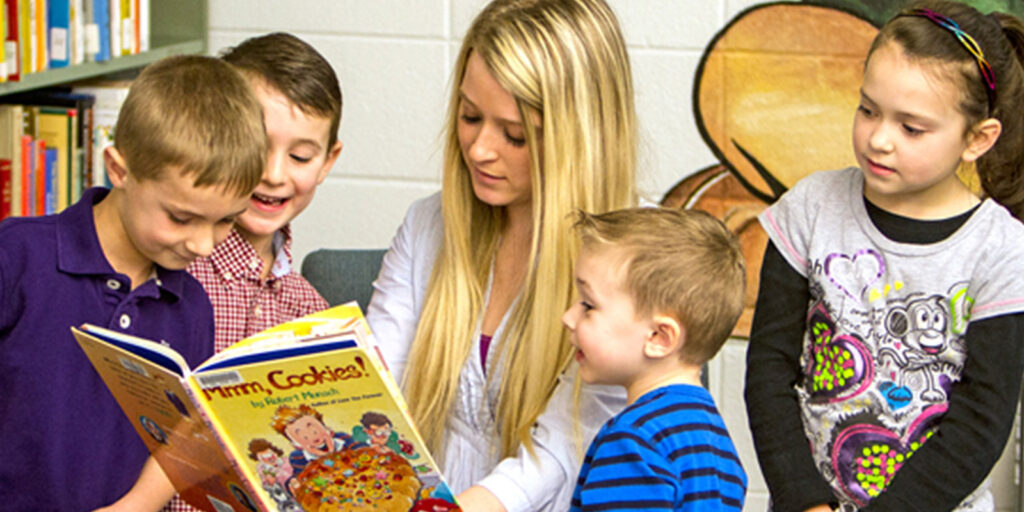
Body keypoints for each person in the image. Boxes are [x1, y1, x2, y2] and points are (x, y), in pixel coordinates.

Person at [744, 1, 1024, 510]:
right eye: (867, 109)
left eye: (911, 128)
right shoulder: (808, 209)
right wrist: (804, 500)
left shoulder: (1004, 251)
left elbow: (982, 420)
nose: (878, 138)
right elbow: (768, 370)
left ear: (977, 140)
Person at [365, 0, 637, 509]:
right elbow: (378, 385)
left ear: (578, 137)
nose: (479, 149)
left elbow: (557, 453)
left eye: (514, 135)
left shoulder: (633, 260)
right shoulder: (429, 224)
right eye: (469, 116)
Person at [0, 55, 265, 510]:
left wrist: (136, 505)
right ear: (118, 170)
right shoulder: (18, 256)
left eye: (226, 221)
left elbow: (182, 434)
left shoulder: (191, 304)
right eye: (181, 218)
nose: (204, 245)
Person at [562, 208, 748, 511]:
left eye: (588, 305)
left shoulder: (634, 442)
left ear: (659, 338)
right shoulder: (716, 445)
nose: (568, 317)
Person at [187, 32, 342, 355]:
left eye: (299, 157)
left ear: (328, 161)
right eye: (256, 147)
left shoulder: (312, 315)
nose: (273, 175)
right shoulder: (174, 263)